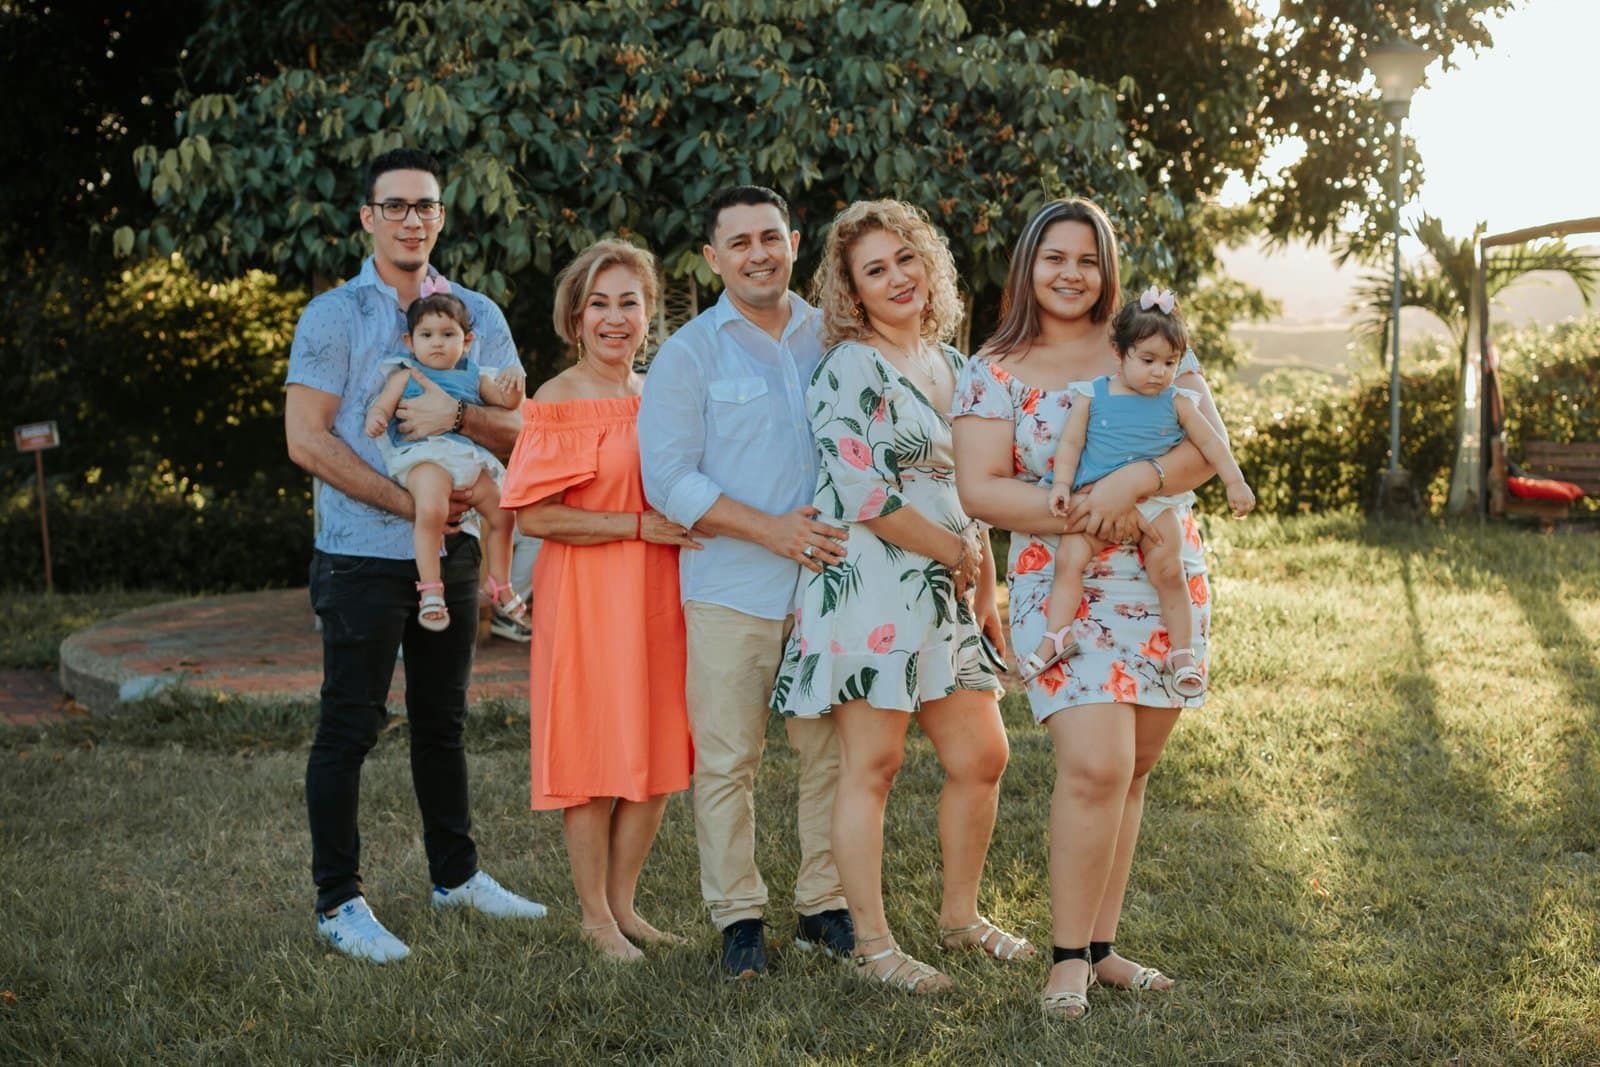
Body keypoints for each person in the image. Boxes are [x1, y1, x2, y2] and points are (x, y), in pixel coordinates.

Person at [951, 198, 1227, 1020]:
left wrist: (1132, 483)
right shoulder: (993, 367)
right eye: (1054, 257)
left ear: (1107, 268)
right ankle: (1067, 959)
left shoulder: (1148, 341)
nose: (1071, 273)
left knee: (1132, 768)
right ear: (1028, 266)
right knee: (1095, 765)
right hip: (1062, 580)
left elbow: (1205, 449)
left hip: (1160, 576)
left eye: (1086, 258)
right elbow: (980, 489)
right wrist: (1087, 511)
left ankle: (1103, 950)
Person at [285, 147, 545, 964]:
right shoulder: (333, 316)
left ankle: (455, 876)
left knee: (443, 721)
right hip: (359, 555)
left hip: (457, 554)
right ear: (369, 217)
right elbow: (307, 440)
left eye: (424, 205)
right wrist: (409, 503)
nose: (410, 219)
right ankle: (339, 901)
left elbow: (523, 430)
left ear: (440, 216)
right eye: (394, 205)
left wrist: (458, 421)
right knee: (349, 726)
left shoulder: (477, 313)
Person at [769, 200, 1024, 994]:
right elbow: (863, 493)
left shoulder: (953, 363)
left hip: (949, 587)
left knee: (982, 755)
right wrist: (954, 550)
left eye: (905, 258)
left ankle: (960, 918)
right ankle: (875, 946)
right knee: (874, 764)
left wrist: (983, 582)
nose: (896, 278)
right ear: (852, 291)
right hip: (869, 585)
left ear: (928, 263)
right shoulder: (849, 367)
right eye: (874, 270)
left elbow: (976, 486)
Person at [638, 185, 854, 978]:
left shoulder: (835, 336)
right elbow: (668, 478)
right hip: (731, 587)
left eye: (770, 237)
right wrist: (771, 531)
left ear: (794, 242)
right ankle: (738, 918)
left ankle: (824, 902)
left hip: (831, 586)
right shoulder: (688, 354)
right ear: (712, 257)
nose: (758, 253)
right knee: (729, 759)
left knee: (829, 754)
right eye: (739, 242)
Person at [503, 239, 699, 961]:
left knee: (657, 748)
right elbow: (535, 517)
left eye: (629, 303)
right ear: (576, 318)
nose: (615, 318)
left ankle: (624, 906)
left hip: (661, 596)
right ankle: (592, 917)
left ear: (648, 314)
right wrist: (636, 526)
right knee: (592, 753)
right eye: (600, 305)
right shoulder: (557, 402)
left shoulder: (660, 395)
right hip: (588, 598)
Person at [1026, 288, 1256, 691]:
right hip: (1096, 501)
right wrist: (1061, 484)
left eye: (1170, 362)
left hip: (1155, 504)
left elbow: (1211, 443)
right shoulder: (1093, 394)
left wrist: (1234, 482)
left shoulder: (1178, 400)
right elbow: (1071, 444)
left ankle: (1183, 653)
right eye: (1148, 360)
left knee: (1169, 569)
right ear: (1120, 353)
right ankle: (1056, 636)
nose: (1159, 372)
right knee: (1069, 560)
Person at [364, 290, 529, 633]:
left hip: (465, 457)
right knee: (432, 509)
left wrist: (514, 380)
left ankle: (499, 582)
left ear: (467, 341)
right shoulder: (405, 374)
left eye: (448, 334)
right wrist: (378, 418)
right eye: (426, 335)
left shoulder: (475, 375)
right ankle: (431, 589)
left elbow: (508, 402)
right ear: (410, 342)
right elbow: (383, 405)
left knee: (504, 512)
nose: (437, 343)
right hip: (424, 456)